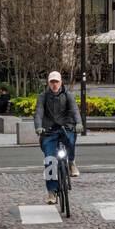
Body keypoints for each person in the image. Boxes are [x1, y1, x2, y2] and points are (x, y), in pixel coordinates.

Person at [36, 72, 80, 204]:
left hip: (66, 127)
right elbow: (38, 113)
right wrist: (38, 127)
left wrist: (79, 123)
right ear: (48, 83)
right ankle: (51, 192)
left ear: (61, 82)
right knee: (49, 161)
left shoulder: (68, 95)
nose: (54, 84)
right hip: (49, 131)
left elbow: (74, 110)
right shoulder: (43, 97)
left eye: (56, 82)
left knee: (71, 142)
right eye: (52, 82)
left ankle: (71, 162)